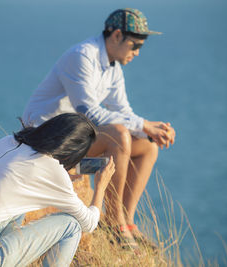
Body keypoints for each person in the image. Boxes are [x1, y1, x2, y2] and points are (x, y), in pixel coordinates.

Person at [22, 8, 176, 250]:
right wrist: (143, 124)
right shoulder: (82, 56)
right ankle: (115, 222)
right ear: (116, 36)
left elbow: (124, 111)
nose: (137, 52)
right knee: (119, 134)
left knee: (148, 146)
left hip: (73, 153)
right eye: (135, 45)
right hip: (46, 148)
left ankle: (127, 221)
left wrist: (151, 130)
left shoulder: (113, 67)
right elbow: (89, 113)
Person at [0, 113, 115, 266]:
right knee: (72, 225)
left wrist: (61, 175)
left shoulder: (9, 141)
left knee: (18, 206)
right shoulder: (52, 170)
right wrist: (100, 186)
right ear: (73, 152)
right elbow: (89, 224)